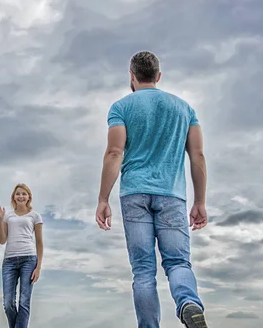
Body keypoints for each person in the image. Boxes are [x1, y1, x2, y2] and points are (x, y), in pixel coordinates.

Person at [95, 51, 209, 328]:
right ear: (158, 76)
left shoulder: (121, 107)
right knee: (178, 263)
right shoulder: (184, 109)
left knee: (143, 271)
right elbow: (197, 156)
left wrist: (103, 199)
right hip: (172, 194)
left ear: (131, 76)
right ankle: (188, 303)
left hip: (134, 192)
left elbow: (114, 152)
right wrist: (200, 202)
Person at [0, 183, 44, 328]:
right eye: (18, 194)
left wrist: (39, 267)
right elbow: (2, 240)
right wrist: (0, 218)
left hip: (29, 260)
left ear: (29, 197)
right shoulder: (7, 216)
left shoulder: (35, 216)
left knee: (24, 302)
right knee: (8, 303)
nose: (21, 196)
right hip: (9, 261)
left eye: (24, 194)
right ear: (14, 197)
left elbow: (40, 242)